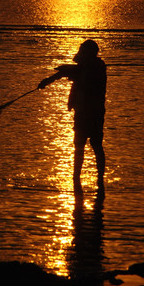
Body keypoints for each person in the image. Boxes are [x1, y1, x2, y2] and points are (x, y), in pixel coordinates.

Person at [38, 40, 107, 192]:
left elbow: (88, 83)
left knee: (96, 146)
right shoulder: (83, 68)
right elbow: (65, 73)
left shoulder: (98, 67)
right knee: (79, 146)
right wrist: (47, 81)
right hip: (81, 112)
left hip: (94, 113)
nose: (80, 55)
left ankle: (99, 179)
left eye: (83, 51)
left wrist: (68, 76)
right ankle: (76, 178)